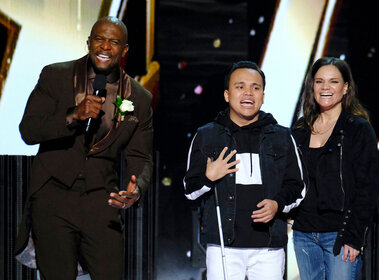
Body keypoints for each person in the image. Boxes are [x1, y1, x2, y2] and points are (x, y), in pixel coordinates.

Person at [14, 16, 153, 279]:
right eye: (99, 39)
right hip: (53, 196)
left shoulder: (140, 98)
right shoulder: (56, 75)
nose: (104, 47)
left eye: (113, 42)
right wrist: (72, 116)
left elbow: (141, 156)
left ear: (124, 50)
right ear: (89, 42)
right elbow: (28, 130)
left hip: (102, 200)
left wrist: (138, 187)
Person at [184, 61, 306, 280]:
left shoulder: (281, 136)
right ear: (227, 95)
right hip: (223, 247)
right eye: (240, 86)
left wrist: (277, 204)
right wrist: (208, 177)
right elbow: (189, 190)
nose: (248, 93)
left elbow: (298, 187)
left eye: (255, 87)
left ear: (263, 95)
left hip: (269, 248)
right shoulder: (207, 135)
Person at [291, 57, 379, 280]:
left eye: (333, 82)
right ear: (312, 86)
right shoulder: (300, 129)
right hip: (303, 234)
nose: (325, 88)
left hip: (340, 234)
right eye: (319, 81)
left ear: (345, 87)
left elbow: (366, 188)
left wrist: (354, 237)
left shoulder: (358, 129)